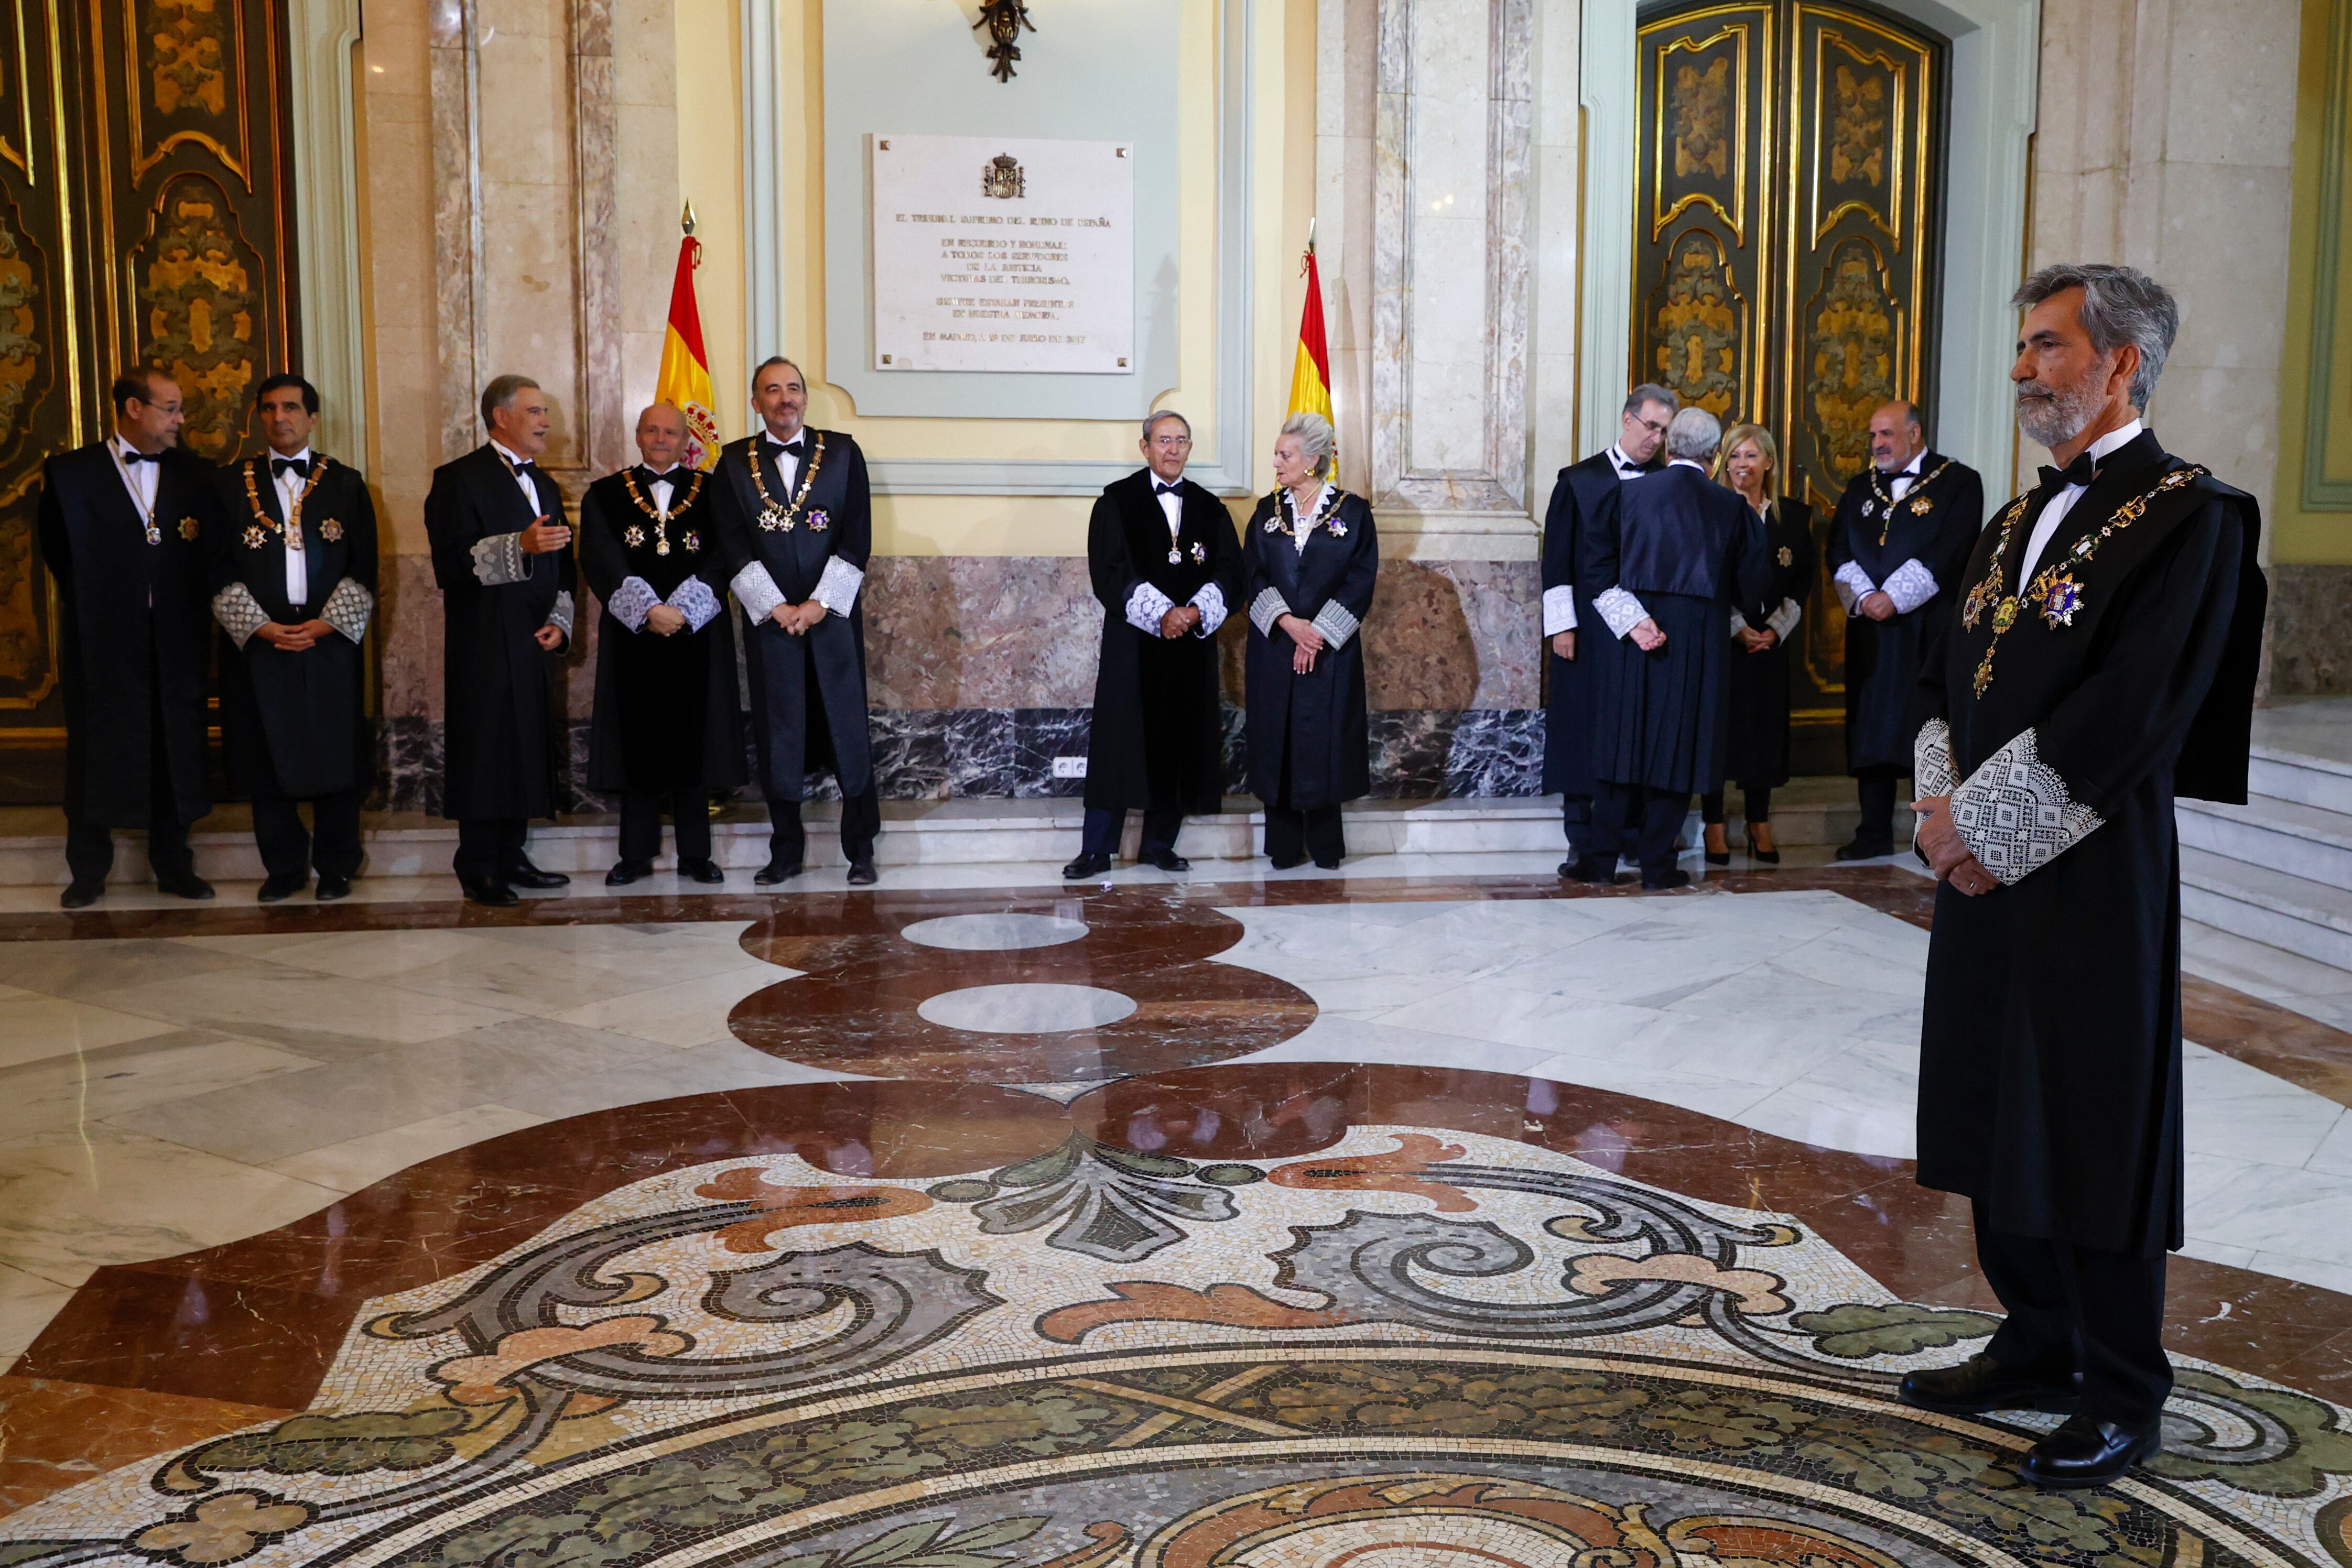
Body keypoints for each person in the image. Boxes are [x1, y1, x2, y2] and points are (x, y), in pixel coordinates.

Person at [1900, 265, 2265, 1488]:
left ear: (2122, 361)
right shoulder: (2011, 521)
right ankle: (2036, 1334)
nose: (2021, 371)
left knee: (2092, 1116)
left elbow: (2138, 707)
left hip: (2092, 863)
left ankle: (2121, 1382)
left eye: (2046, 347)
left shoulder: (2190, 517)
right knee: (1991, 1096)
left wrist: (1983, 834)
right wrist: (1938, 811)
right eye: (2021, 347)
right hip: (1984, 868)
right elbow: (1946, 672)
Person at [36, 368, 224, 907]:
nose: (180, 420)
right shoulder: (71, 474)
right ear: (133, 409)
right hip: (102, 639)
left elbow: (209, 553)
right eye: (170, 408)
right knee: (97, 747)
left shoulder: (196, 474)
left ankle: (174, 866)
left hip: (177, 638)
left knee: (175, 746)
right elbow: (58, 552)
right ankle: (89, 871)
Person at [1577, 407, 1768, 890]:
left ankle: (1599, 861)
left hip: (1633, 638)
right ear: (1714, 455)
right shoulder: (1733, 509)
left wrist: (1636, 622)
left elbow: (1596, 574)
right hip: (1698, 643)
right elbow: (1752, 588)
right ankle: (1658, 866)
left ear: (1668, 446)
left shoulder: (1625, 494)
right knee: (1678, 752)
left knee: (1624, 746)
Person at [708, 357, 880, 885]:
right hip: (771, 623)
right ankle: (785, 852)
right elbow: (730, 541)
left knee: (847, 731)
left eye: (793, 388)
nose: (785, 398)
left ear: (804, 397)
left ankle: (861, 852)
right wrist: (776, 606)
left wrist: (819, 603)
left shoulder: (844, 453)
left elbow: (855, 535)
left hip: (831, 620)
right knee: (779, 729)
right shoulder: (733, 461)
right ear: (756, 402)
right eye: (772, 390)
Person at [211, 374, 379, 902]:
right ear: (257, 418)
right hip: (260, 639)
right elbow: (212, 566)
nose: (279, 417)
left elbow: (366, 565)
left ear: (312, 417)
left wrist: (329, 623)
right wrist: (259, 625)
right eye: (268, 409)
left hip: (328, 637)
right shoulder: (228, 484)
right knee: (266, 752)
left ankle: (336, 865)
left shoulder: (347, 484)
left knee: (336, 752)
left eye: (290, 407)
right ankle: (283, 867)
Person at [1064, 410, 1241, 880]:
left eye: (1181, 441)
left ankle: (1159, 844)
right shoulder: (1116, 502)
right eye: (1163, 441)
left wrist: (1195, 613)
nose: (1172, 450)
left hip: (1189, 649)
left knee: (1179, 744)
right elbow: (1108, 570)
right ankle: (1097, 849)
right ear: (1144, 447)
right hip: (1133, 648)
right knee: (1117, 745)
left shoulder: (1210, 508)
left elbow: (1229, 570)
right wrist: (1160, 615)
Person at [422, 374, 577, 907]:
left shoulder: (547, 485)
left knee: (524, 747)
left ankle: (512, 854)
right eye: (535, 412)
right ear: (501, 416)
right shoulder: (457, 480)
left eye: (545, 412)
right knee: (486, 747)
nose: (545, 422)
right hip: (484, 641)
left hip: (533, 642)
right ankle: (478, 864)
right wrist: (519, 544)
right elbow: (451, 564)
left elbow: (562, 567)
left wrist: (561, 620)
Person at [578, 403, 746, 886]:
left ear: (683, 439)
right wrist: (648, 609)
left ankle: (696, 855)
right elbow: (599, 555)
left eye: (670, 431)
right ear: (637, 434)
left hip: (696, 633)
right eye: (651, 429)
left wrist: (685, 608)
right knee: (638, 740)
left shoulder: (716, 493)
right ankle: (634, 854)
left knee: (695, 738)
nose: (660, 437)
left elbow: (725, 555)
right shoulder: (605, 494)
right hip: (635, 636)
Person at [1824, 400, 1982, 858]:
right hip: (1871, 636)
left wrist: (1894, 597)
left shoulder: (1959, 482)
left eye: (1886, 434)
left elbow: (1953, 550)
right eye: (1873, 436)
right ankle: (1871, 830)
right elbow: (1837, 549)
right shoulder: (1858, 487)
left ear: (1914, 433)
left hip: (1925, 632)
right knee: (1870, 729)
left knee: (1927, 730)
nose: (1876, 445)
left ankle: (1930, 836)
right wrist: (1865, 597)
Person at [1542, 384, 1676, 876]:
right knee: (1581, 730)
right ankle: (1580, 838)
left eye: (1663, 431)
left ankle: (1634, 837)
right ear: (1626, 420)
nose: (1655, 438)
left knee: (1636, 731)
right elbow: (1556, 559)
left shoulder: (1665, 482)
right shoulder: (1578, 480)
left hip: (1643, 628)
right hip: (1586, 629)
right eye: (1649, 426)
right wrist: (1562, 627)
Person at [1242, 412, 1375, 870]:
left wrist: (1316, 632)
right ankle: (1281, 845)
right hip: (1276, 647)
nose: (1276, 462)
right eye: (1276, 454)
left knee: (1325, 740)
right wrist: (1287, 622)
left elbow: (1360, 581)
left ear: (1312, 460)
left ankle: (1325, 847)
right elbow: (1253, 575)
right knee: (1275, 737)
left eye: (1285, 454)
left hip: (1329, 651)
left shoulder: (1354, 513)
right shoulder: (1265, 511)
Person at [1700, 423, 1812, 867]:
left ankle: (1757, 821)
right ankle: (1711, 821)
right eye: (1733, 456)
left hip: (1769, 643)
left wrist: (1773, 629)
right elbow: (1705, 576)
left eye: (1749, 456)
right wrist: (1735, 627)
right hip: (1722, 640)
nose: (1741, 465)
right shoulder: (1711, 511)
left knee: (1762, 733)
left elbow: (1801, 581)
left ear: (1768, 462)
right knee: (1716, 730)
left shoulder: (1794, 516)